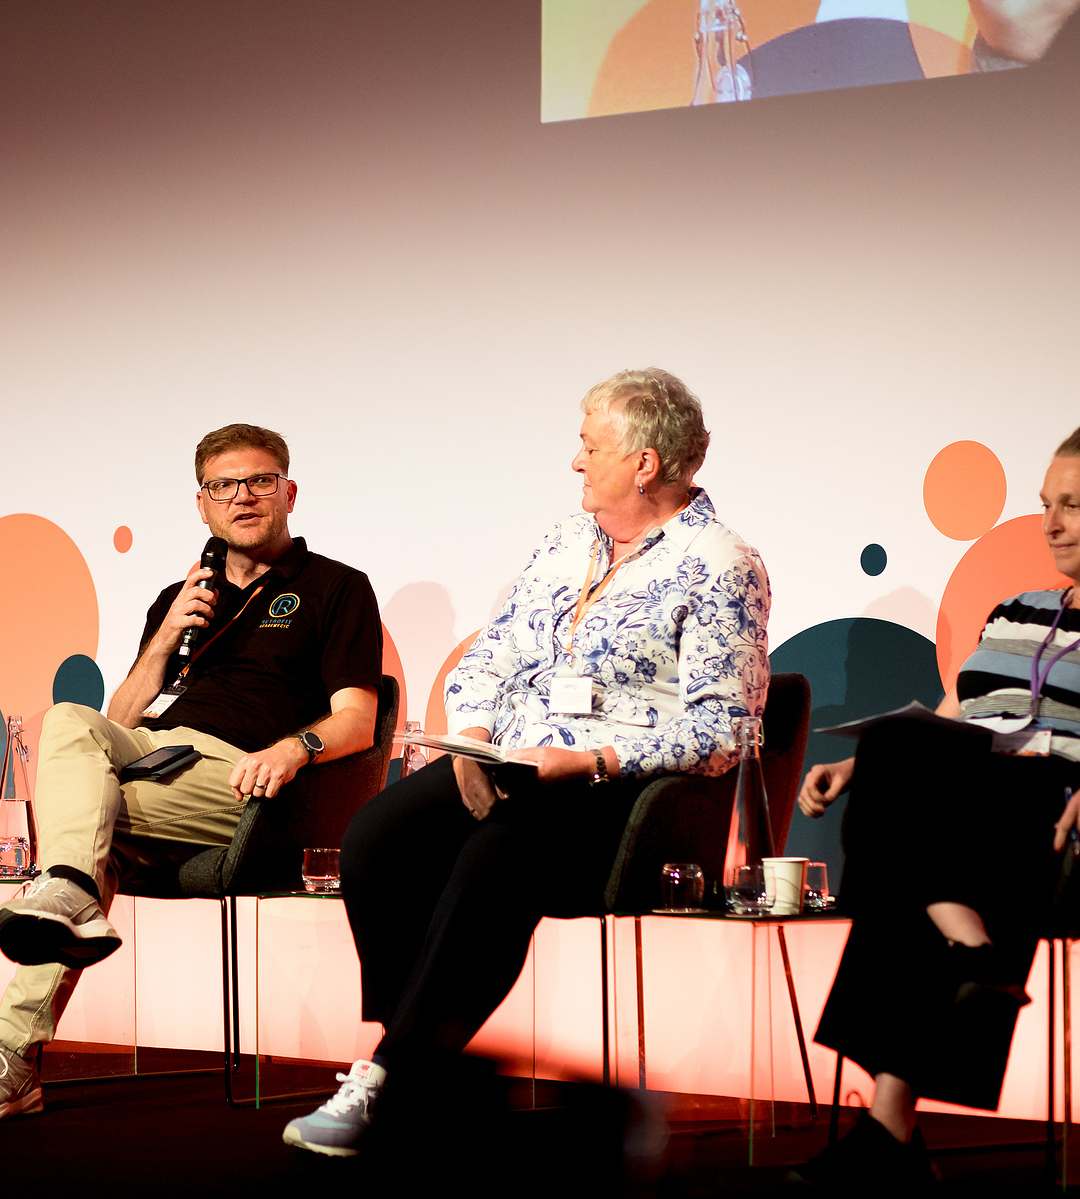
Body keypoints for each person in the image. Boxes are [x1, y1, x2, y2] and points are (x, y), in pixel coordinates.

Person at [282, 368, 771, 1157]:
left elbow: (727, 727)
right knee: (377, 835)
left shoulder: (721, 562)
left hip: (618, 787)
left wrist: (591, 760)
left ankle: (392, 1077)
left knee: (494, 856)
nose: (576, 461)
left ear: (644, 463)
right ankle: (415, 1058)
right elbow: (492, 654)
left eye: (590, 446)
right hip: (511, 759)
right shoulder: (564, 541)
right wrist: (472, 737)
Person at [0, 423, 383, 1121]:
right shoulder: (181, 596)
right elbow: (122, 719)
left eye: (259, 481)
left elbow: (358, 718)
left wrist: (293, 749)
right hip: (157, 756)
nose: (242, 496)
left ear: (288, 493)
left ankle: (10, 1049)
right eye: (223, 485)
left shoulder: (336, 587)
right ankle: (69, 895)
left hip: (245, 776)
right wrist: (167, 635)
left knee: (90, 831)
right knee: (70, 720)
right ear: (202, 505)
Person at [791, 419, 1080, 1189]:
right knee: (895, 744)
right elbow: (948, 721)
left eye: (1071, 504)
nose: (1051, 523)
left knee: (911, 858)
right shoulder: (1014, 611)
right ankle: (960, 964)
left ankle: (900, 1113)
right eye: (1045, 503)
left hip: (1061, 814)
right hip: (971, 811)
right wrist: (855, 765)